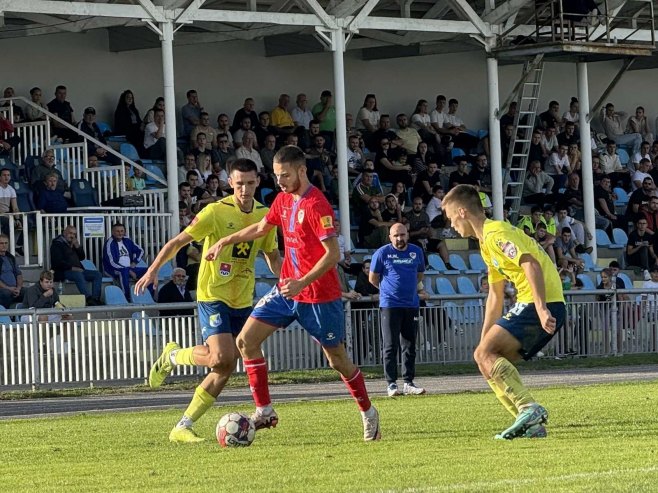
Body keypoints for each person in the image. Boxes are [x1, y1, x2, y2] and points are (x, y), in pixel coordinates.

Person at [204, 145, 381, 441]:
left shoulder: (317, 205)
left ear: (302, 171)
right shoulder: (283, 200)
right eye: (276, 176)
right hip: (287, 290)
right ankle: (264, 410)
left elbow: (333, 254)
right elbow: (261, 228)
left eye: (284, 175)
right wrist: (225, 240)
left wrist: (302, 282)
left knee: (337, 360)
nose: (280, 182)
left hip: (319, 297)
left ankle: (368, 411)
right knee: (246, 341)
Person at [136, 159, 280, 443]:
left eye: (250, 183)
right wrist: (153, 270)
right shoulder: (215, 212)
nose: (245, 189)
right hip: (212, 294)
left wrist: (288, 278)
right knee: (221, 357)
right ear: (230, 182)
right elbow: (178, 242)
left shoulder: (266, 215)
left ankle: (182, 425)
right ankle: (173, 356)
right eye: (239, 184)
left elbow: (271, 255)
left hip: (242, 297)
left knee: (225, 366)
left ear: (258, 182)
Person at [442, 184, 565, 440]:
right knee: (484, 357)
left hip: (540, 302)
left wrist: (541, 307)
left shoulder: (496, 233)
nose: (452, 225)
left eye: (451, 217)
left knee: (486, 354)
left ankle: (528, 408)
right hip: (537, 302)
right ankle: (530, 423)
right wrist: (484, 339)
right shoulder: (487, 243)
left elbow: (530, 263)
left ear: (462, 212)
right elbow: (495, 295)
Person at [369, 223, 426, 397]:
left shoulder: (416, 251)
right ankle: (391, 384)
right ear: (390, 237)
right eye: (396, 235)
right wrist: (388, 291)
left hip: (411, 304)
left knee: (409, 345)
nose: (399, 238)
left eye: (402, 235)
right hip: (390, 305)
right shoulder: (382, 253)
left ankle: (408, 382)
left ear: (407, 235)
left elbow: (419, 274)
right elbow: (373, 278)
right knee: (390, 345)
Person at [50, 225, 102, 306]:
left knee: (97, 274)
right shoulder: (57, 244)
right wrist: (72, 268)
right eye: (70, 233)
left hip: (78, 270)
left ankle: (95, 298)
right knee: (78, 275)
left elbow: (82, 257)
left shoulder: (72, 243)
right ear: (64, 233)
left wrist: (77, 246)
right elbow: (57, 262)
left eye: (74, 234)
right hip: (64, 271)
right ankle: (88, 298)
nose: (72, 236)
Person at [102, 223, 148, 299]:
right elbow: (112, 263)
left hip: (129, 268)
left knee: (149, 271)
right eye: (117, 231)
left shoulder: (127, 240)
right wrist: (128, 270)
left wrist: (135, 262)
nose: (120, 233)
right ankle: (126, 297)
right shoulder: (109, 243)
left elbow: (141, 251)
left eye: (122, 231)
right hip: (112, 269)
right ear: (113, 232)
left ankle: (146, 295)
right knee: (123, 272)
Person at [0, 233, 25, 308]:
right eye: (1, 243)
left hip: (15, 288)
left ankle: (24, 317)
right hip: (3, 289)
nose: (4, 245)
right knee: (6, 294)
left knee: (28, 292)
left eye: (6, 243)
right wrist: (8, 288)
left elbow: (19, 275)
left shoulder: (11, 258)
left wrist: (19, 288)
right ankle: (6, 317)